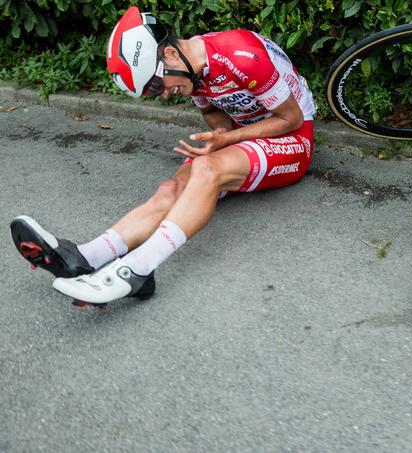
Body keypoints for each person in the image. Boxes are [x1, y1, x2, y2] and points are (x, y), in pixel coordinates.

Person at [10, 6, 316, 304]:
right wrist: (221, 136)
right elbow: (214, 112)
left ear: (170, 53)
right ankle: (84, 256)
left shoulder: (242, 55)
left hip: (292, 137)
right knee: (171, 189)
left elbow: (291, 120)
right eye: (154, 92)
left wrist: (228, 139)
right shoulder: (189, 70)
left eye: (157, 84)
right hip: (250, 133)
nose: (164, 94)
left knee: (207, 169)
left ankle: (138, 269)